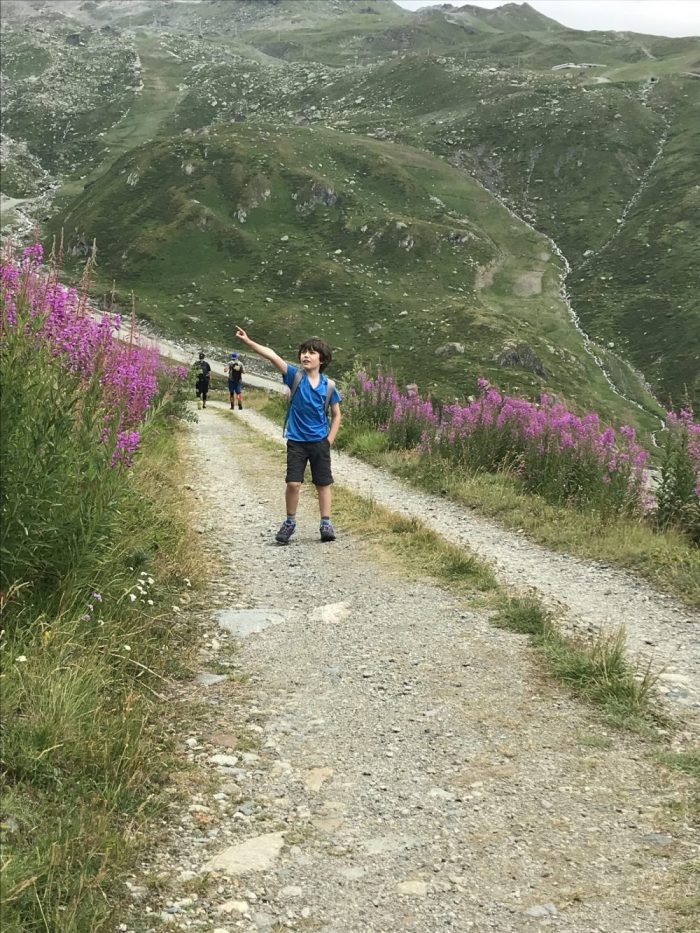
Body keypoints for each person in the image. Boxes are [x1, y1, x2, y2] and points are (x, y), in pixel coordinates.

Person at [235, 326, 341, 544]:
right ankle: (290, 522)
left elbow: (336, 415)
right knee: (293, 483)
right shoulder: (294, 376)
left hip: (319, 442)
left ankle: (326, 523)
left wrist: (328, 440)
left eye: (311, 352)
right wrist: (248, 341)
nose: (306, 355)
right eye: (303, 351)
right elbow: (272, 355)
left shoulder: (329, 385)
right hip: (296, 442)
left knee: (323, 484)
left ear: (322, 359)